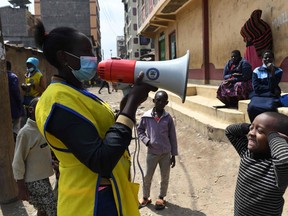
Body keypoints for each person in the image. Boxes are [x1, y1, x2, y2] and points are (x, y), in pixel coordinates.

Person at [33, 20, 157, 216]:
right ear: (64, 57)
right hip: (91, 203)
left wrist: (125, 107)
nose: (94, 58)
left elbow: (98, 132)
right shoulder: (57, 101)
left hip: (105, 194)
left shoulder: (74, 92)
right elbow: (100, 159)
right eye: (87, 52)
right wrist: (132, 104)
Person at [225, 111, 288, 216]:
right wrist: (249, 127)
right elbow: (230, 131)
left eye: (260, 131)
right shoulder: (247, 154)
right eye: (251, 129)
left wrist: (273, 136)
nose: (251, 133)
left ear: (279, 140)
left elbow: (284, 161)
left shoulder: (277, 170)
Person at [12, 97, 57, 216]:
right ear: (31, 110)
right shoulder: (26, 133)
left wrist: (52, 162)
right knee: (53, 209)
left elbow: (42, 152)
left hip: (43, 177)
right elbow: (17, 161)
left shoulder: (42, 128)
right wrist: (20, 187)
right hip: (33, 181)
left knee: (43, 209)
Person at [137, 90, 178, 210]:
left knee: (164, 176)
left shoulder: (168, 118)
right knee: (147, 176)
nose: (160, 102)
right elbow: (140, 131)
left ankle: (161, 197)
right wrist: (146, 140)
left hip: (166, 153)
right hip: (152, 152)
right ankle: (145, 197)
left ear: (166, 103)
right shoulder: (146, 116)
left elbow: (172, 136)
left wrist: (173, 155)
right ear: (154, 101)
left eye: (162, 101)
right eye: (157, 100)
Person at [247, 50, 283, 122]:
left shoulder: (278, 71)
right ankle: (254, 124)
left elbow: (273, 85)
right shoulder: (256, 71)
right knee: (251, 107)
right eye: (265, 57)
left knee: (270, 107)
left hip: (271, 95)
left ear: (273, 59)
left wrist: (272, 72)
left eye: (270, 57)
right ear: (262, 59)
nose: (268, 59)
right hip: (259, 95)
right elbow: (256, 88)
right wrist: (269, 88)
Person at [6, 61, 24, 140]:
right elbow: (16, 92)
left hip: (5, 108)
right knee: (16, 126)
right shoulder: (13, 77)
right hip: (14, 106)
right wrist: (20, 105)